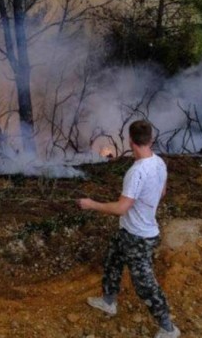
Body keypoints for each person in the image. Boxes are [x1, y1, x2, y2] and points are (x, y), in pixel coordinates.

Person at [77, 120, 180, 338]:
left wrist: (91, 204)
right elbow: (161, 193)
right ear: (150, 139)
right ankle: (108, 302)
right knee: (112, 261)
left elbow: (122, 208)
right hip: (129, 231)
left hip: (139, 237)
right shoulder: (159, 163)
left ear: (130, 140)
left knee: (145, 284)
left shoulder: (136, 172)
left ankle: (168, 328)